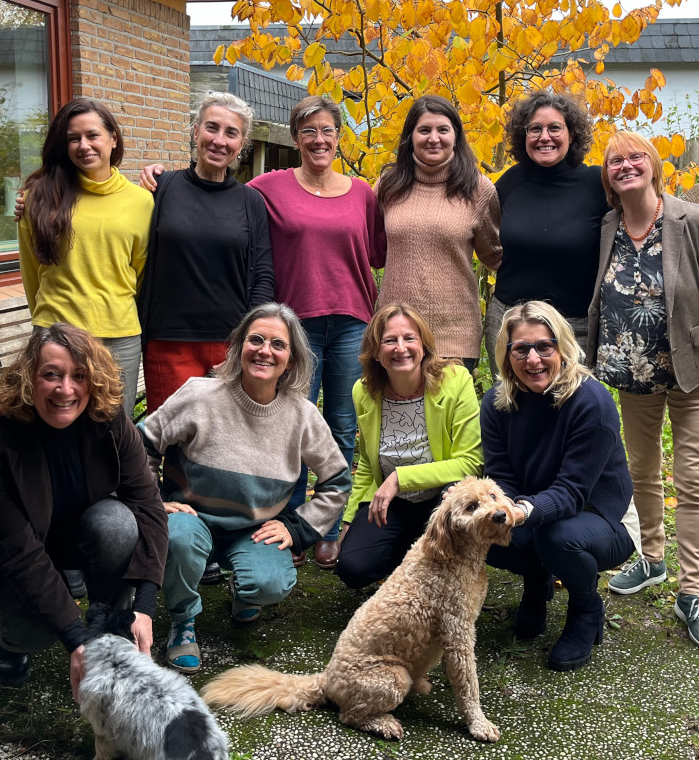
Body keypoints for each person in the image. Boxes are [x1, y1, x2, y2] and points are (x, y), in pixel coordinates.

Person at [142, 95, 383, 570]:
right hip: (245, 328)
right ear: (295, 138)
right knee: (250, 432)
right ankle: (243, 533)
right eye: (308, 130)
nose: (319, 139)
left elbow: (373, 253)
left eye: (328, 130)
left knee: (338, 425)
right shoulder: (256, 188)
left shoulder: (354, 193)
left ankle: (314, 529)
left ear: (339, 137)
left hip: (321, 324)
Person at [589, 129, 699, 651]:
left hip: (695, 372)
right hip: (633, 373)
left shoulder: (691, 219)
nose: (626, 165)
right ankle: (652, 559)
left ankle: (693, 593)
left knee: (693, 478)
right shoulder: (609, 225)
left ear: (655, 166)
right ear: (608, 176)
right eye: (616, 161)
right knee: (642, 470)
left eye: (636, 157)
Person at [0, 324, 167, 696]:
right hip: (7, 555)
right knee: (29, 631)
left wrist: (144, 606)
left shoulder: (109, 421)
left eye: (79, 376)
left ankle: (108, 624)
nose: (66, 390)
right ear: (29, 379)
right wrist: (74, 639)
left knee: (117, 524)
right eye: (52, 375)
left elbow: (148, 507)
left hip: (71, 534)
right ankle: (1, 635)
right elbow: (18, 554)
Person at [139, 303, 351, 672]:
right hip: (192, 519)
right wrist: (153, 501)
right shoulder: (200, 395)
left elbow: (337, 480)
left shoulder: (302, 415)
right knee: (179, 539)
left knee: (270, 584)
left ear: (292, 358)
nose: (265, 350)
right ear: (238, 347)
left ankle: (244, 590)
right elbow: (141, 445)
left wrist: (297, 527)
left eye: (277, 344)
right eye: (256, 340)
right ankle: (183, 622)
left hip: (254, 529)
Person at [482, 301, 638, 672]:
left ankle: (585, 608)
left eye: (544, 347)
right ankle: (537, 582)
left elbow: (571, 492)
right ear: (507, 354)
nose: (533, 359)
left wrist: (520, 512)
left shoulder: (591, 402)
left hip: (604, 517)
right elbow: (501, 476)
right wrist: (504, 511)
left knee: (557, 537)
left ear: (562, 348)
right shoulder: (496, 402)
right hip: (534, 510)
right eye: (521, 348)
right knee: (478, 530)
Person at [137, 92, 274, 413]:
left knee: (227, 440)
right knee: (175, 441)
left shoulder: (250, 201)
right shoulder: (162, 188)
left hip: (231, 345)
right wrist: (36, 199)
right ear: (195, 131)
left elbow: (264, 273)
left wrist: (251, 336)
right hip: (168, 342)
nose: (219, 140)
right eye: (211, 128)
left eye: (231, 133)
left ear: (242, 144)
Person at [19, 99, 154, 417]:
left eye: (92, 135)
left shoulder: (141, 202)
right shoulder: (38, 199)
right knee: (56, 426)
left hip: (118, 335)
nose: (83, 145)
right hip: (56, 332)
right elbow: (31, 273)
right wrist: (45, 327)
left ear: (113, 138)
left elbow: (142, 275)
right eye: (73, 138)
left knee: (113, 428)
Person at [335, 304, 484, 589]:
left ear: (424, 345)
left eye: (409, 338)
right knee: (353, 568)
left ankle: (434, 559)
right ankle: (408, 550)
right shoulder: (364, 391)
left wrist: (399, 478)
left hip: (443, 498)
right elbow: (367, 461)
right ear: (376, 352)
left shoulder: (455, 381)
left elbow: (470, 461)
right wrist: (349, 519)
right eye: (389, 340)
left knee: (445, 560)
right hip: (393, 504)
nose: (400, 348)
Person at [374, 96, 501, 370]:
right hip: (395, 336)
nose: (434, 138)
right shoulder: (388, 186)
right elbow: (370, 248)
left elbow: (497, 257)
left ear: (456, 136)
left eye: (443, 130)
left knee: (449, 414)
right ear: (411, 137)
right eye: (424, 130)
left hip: (454, 338)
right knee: (398, 414)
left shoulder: (479, 189)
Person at [483, 90, 609, 366]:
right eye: (535, 129)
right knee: (511, 406)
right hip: (510, 323)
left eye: (555, 128)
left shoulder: (597, 185)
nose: (544, 137)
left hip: (574, 327)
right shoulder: (509, 182)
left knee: (572, 407)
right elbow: (483, 234)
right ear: (523, 135)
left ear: (572, 134)